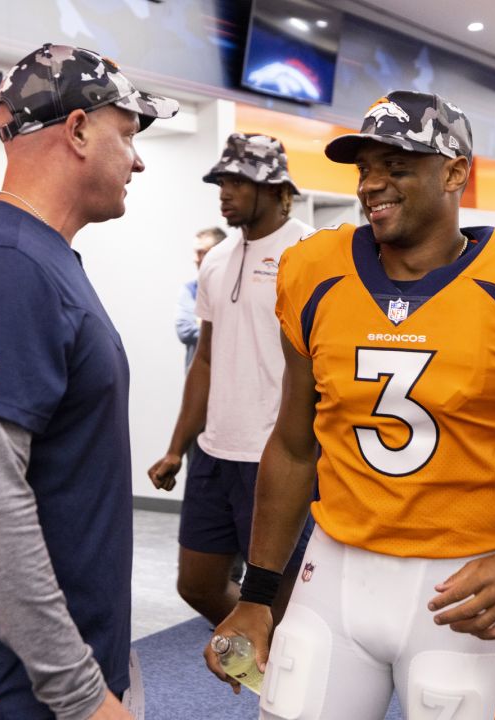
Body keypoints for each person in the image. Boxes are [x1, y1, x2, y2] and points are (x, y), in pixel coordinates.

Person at [203, 91, 495, 720]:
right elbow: (293, 444)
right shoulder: (315, 273)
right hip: (334, 574)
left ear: (454, 171)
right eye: (365, 168)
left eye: (396, 166)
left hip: (460, 585)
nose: (372, 185)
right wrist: (259, 593)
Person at [0, 43, 176, 720]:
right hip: (1, 692)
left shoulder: (35, 257)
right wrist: (80, 694)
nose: (138, 159)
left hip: (33, 680)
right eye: (127, 136)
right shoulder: (3, 267)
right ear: (75, 130)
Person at [149, 134, 315, 628]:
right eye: (222, 181)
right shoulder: (218, 259)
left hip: (276, 454)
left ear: (274, 188)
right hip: (215, 453)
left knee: (281, 601)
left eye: (238, 181)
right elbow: (205, 358)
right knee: (196, 583)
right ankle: (262, 662)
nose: (224, 192)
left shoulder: (307, 252)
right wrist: (177, 446)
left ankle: (289, 684)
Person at [175, 227, 227, 370]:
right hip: (199, 377)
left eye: (201, 253)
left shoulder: (236, 290)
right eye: (195, 253)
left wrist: (201, 324)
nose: (195, 259)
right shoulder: (190, 290)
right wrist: (225, 330)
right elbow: (185, 331)